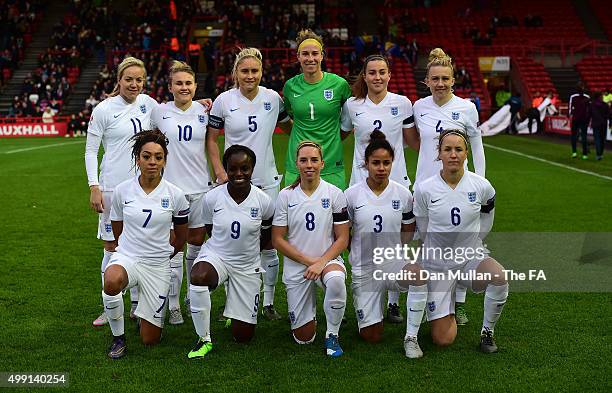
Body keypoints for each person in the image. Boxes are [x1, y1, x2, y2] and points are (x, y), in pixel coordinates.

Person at [207, 47, 292, 320]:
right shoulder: (223, 101)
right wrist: (220, 171)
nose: (250, 75)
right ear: (236, 73)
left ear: (261, 72)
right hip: (233, 183)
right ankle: (233, 298)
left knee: (268, 243)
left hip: (266, 181)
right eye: (244, 71)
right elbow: (211, 139)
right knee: (233, 242)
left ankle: (268, 301)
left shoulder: (273, 99)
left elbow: (292, 128)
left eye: (254, 71)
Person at [408, 48, 486, 325]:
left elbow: (476, 145)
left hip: (459, 186)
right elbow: (416, 143)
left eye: (445, 78)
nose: (440, 83)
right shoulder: (418, 107)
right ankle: (428, 297)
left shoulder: (467, 107)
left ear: (453, 80)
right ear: (426, 81)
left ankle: (458, 303)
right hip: (425, 188)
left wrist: (481, 181)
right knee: (426, 243)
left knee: (461, 245)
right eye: (435, 79)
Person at [413, 129, 508, 354]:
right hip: (438, 265)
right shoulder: (424, 189)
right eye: (447, 149)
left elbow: (487, 221)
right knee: (443, 340)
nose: (453, 154)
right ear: (439, 154)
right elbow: (424, 229)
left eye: (458, 149)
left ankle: (487, 332)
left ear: (466, 153)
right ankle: (446, 305)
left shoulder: (482, 186)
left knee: (499, 277)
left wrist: (472, 244)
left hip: (468, 259)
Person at [341, 54, 418, 324]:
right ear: (364, 76)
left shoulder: (402, 103)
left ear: (389, 75)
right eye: (371, 72)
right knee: (362, 239)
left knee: (396, 241)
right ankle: (364, 288)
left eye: (382, 72)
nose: (377, 77)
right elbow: (339, 134)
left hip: (397, 183)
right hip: (360, 184)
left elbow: (413, 141)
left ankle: (394, 302)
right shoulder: (352, 106)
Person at [102, 129, 189, 359]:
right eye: (147, 156)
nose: (152, 162)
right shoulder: (122, 191)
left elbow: (181, 237)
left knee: (150, 340)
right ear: (137, 158)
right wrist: (128, 251)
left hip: (158, 266)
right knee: (111, 280)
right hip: (129, 258)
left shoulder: (176, 195)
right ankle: (118, 338)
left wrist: (165, 254)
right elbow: (118, 230)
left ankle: (147, 316)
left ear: (165, 160)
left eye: (158, 157)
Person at [85, 57, 159, 327]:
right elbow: (91, 150)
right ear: (119, 80)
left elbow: (174, 110)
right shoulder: (104, 109)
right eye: (129, 79)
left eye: (139, 79)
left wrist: (200, 103)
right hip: (112, 189)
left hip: (143, 189)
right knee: (112, 247)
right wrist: (95, 186)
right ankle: (109, 304)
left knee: (140, 244)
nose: (134, 84)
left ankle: (138, 305)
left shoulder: (148, 104)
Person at [344, 131, 428, 358]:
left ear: (393, 163)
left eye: (386, 163)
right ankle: (377, 309)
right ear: (366, 164)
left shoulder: (402, 194)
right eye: (376, 163)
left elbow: (408, 228)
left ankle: (411, 337)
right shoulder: (351, 195)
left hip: (393, 264)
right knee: (371, 336)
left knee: (418, 274)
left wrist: (396, 250)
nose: (381, 168)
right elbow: (343, 232)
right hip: (365, 269)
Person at [187, 145, 274, 359]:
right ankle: (204, 339)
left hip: (247, 265)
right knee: (199, 276)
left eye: (244, 168)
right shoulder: (212, 198)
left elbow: (267, 233)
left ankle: (234, 309)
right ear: (226, 168)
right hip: (218, 257)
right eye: (232, 168)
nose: (238, 174)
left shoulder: (264, 200)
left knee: (243, 336)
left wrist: (249, 254)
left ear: (252, 168)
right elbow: (209, 229)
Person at [271, 141, 350, 357]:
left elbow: (343, 238)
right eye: (304, 160)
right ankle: (311, 314)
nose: (309, 165)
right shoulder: (286, 195)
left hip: (328, 260)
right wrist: (309, 262)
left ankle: (332, 335)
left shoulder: (334, 193)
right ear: (296, 163)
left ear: (322, 163)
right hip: (299, 266)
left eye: (314, 160)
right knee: (303, 339)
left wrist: (321, 262)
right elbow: (277, 239)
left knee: (335, 279)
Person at [150, 61, 213, 325]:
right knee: (174, 246)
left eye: (188, 83)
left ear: (195, 86)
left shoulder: (204, 110)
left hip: (200, 187)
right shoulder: (159, 111)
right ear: (170, 87)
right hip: (171, 191)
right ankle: (173, 303)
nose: (184, 87)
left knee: (196, 244)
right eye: (179, 83)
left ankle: (191, 294)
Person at [282, 29, 352, 190]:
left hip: (331, 161)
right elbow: (287, 118)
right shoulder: (290, 86)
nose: (310, 58)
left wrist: (332, 138)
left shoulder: (339, 85)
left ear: (322, 55)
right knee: (295, 212)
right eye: (305, 54)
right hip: (297, 162)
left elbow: (348, 121)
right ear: (298, 56)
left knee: (335, 213)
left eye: (315, 53)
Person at [569, 83, 591, 159]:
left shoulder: (573, 97)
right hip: (583, 119)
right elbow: (589, 108)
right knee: (583, 136)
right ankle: (584, 154)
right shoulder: (587, 97)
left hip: (576, 118)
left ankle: (574, 152)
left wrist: (570, 115)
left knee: (574, 135)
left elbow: (570, 107)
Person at [590, 91, 610, 161]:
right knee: (602, 140)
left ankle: (598, 154)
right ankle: (600, 154)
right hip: (603, 124)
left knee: (597, 139)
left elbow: (589, 114)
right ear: (599, 96)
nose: (602, 97)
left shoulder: (592, 105)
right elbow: (609, 115)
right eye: (601, 96)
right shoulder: (605, 105)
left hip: (596, 124)